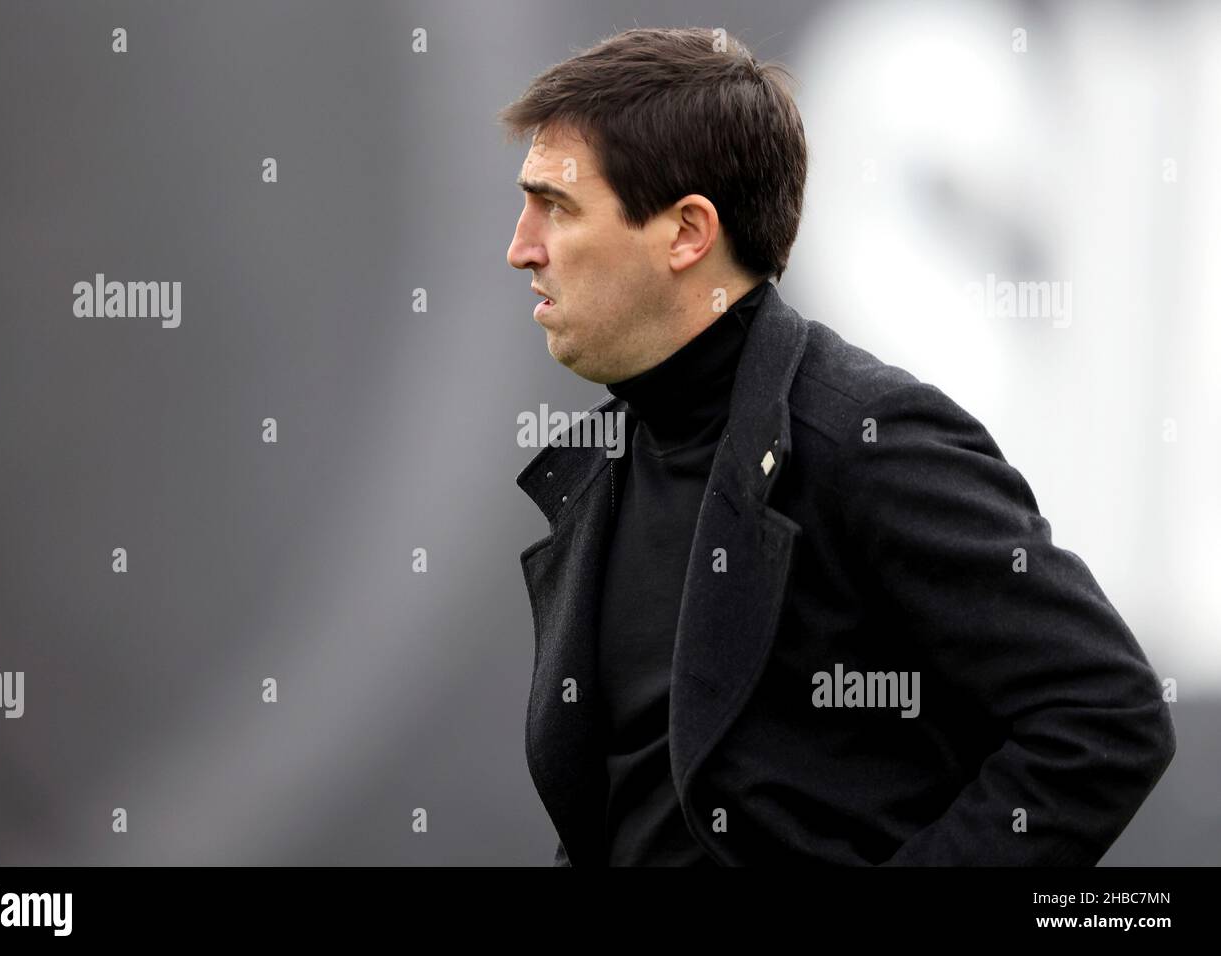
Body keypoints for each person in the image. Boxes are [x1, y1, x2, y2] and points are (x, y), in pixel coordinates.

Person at [499, 27, 1174, 866]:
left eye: (556, 206)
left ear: (686, 234)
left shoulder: (866, 438)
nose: (520, 247)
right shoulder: (601, 469)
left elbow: (1105, 714)